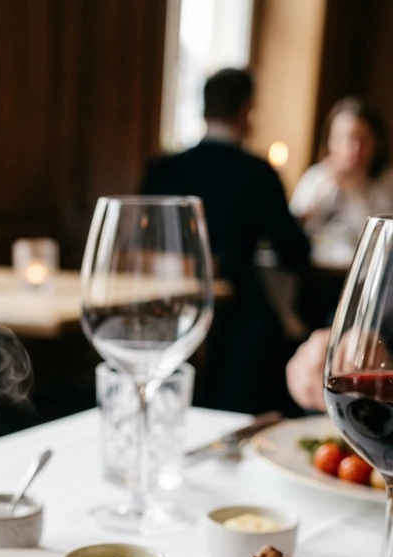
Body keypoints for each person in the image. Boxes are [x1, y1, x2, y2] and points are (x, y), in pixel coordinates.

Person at [142, 68, 310, 414]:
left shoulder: (163, 167)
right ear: (246, 111)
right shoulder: (258, 173)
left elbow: (137, 245)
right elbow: (294, 250)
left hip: (158, 312)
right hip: (234, 324)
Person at [291, 98, 393, 270]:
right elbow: (294, 228)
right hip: (314, 272)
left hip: (364, 274)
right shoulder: (315, 177)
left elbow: (381, 242)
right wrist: (325, 188)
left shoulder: (387, 182)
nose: (353, 149)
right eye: (344, 138)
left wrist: (356, 190)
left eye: (363, 140)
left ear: (377, 142)